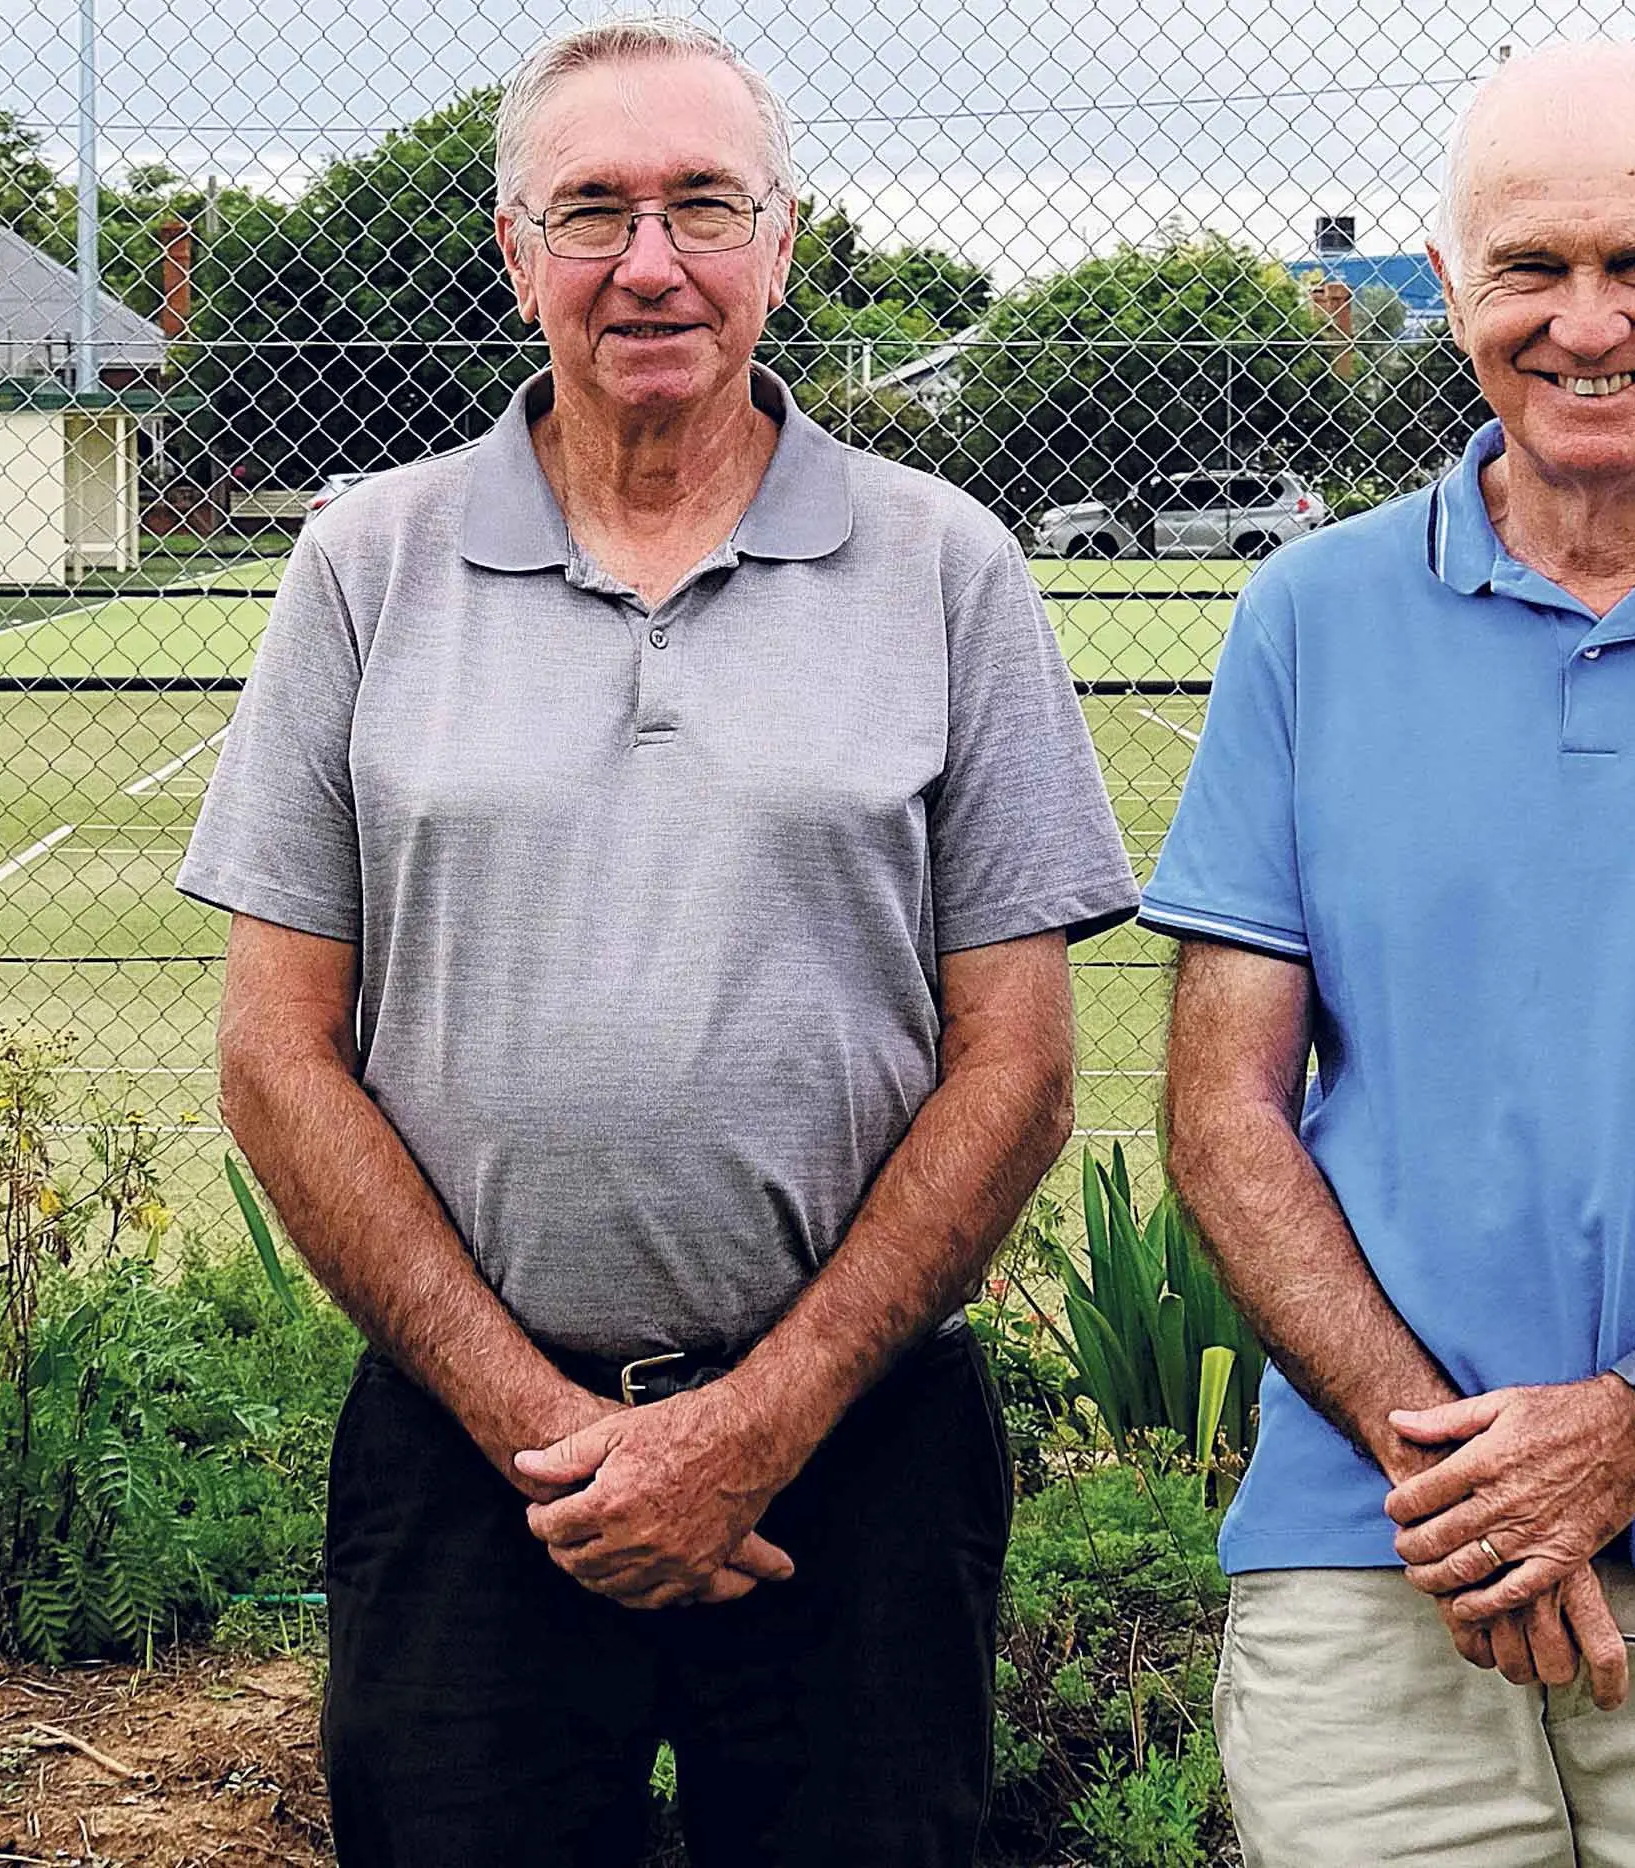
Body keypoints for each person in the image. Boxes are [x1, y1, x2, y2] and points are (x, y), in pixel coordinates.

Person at [177, 16, 1136, 1866]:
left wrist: (758, 1422)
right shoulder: (365, 564)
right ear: (514, 251)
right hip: (475, 1464)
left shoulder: (947, 567)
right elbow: (275, 1053)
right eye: (592, 210)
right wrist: (544, 1428)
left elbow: (1018, 1065)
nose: (651, 261)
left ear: (782, 242)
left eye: (705, 204)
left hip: (859, 1454)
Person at [1143, 40, 1635, 1866]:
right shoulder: (1308, 619)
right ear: (1447, 293)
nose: (1584, 321)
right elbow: (1220, 1110)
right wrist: (1462, 1481)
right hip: (1377, 1569)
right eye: (1527, 267)